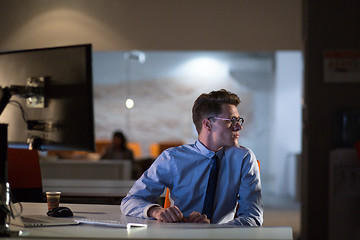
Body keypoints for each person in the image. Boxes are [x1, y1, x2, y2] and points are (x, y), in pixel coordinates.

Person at [120, 89, 263, 225]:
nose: (239, 127)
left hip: (223, 237)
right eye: (231, 120)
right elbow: (131, 201)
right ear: (208, 124)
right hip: (179, 236)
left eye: (239, 120)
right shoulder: (172, 158)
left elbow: (253, 217)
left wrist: (213, 231)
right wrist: (155, 211)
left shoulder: (244, 159)